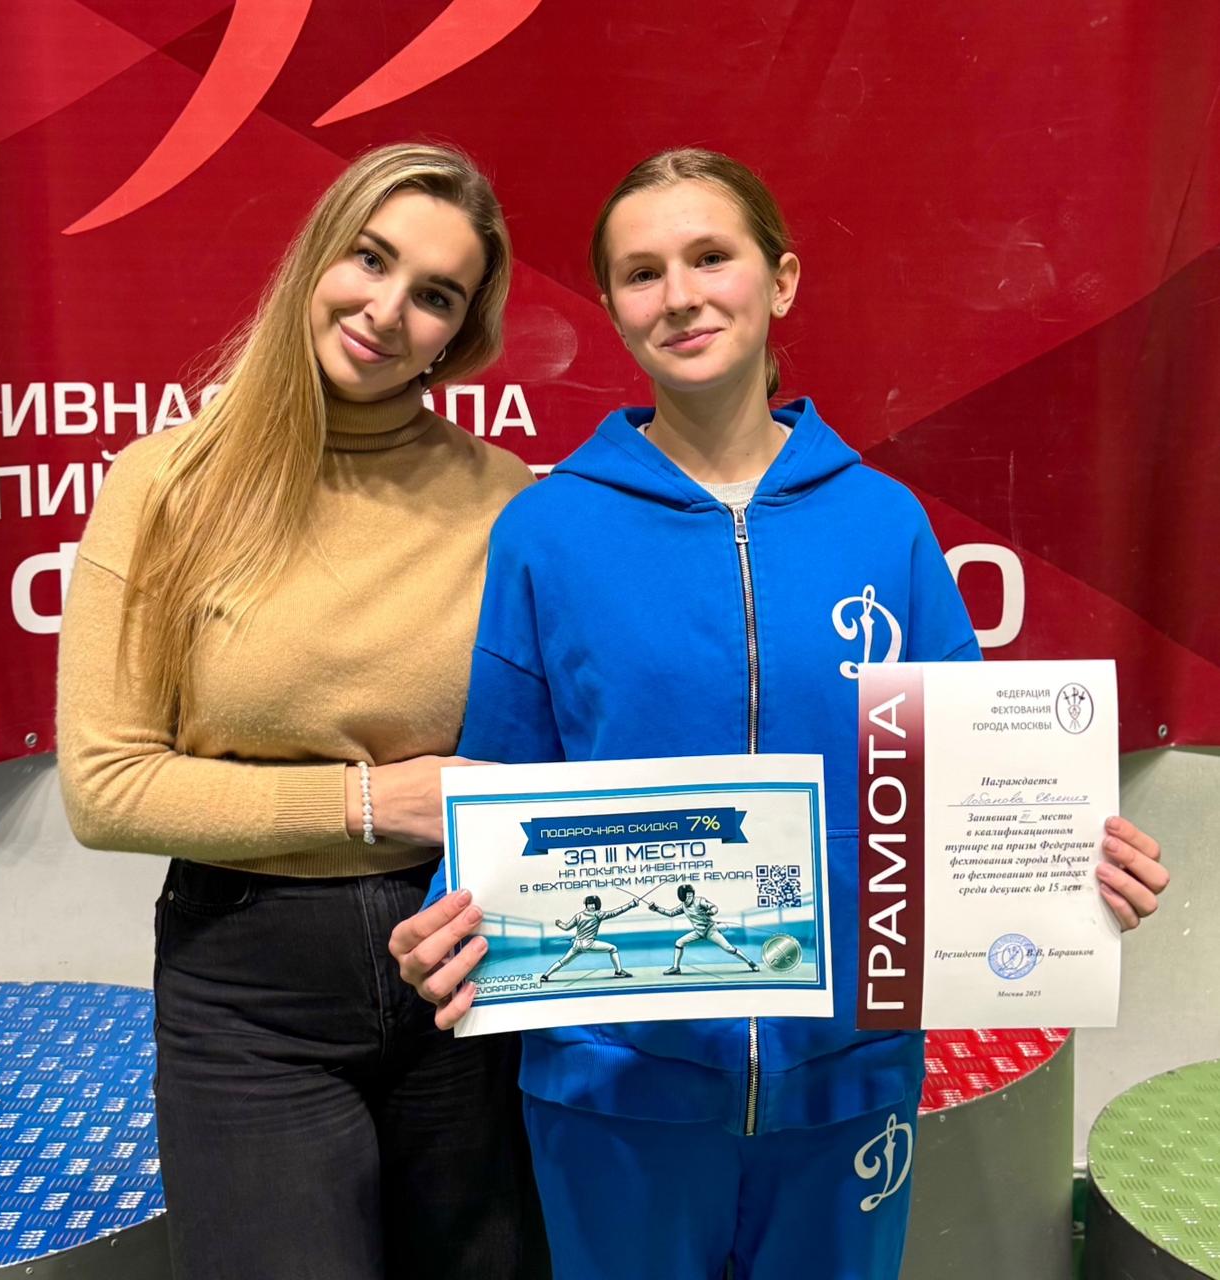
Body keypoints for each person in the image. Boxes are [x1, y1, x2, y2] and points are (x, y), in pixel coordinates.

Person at [389, 148, 1170, 1279]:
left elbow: (974, 777)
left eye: (711, 256)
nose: (680, 294)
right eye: (642, 272)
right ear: (612, 307)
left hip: (846, 1085)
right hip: (614, 1089)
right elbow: (501, 783)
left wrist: (1068, 867)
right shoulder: (546, 532)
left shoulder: (885, 524)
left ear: (782, 280)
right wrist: (449, 923)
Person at [57, 144, 548, 1280]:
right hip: (249, 994)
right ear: (316, 255)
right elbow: (107, 786)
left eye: (435, 294)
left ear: (458, 334)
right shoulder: (167, 483)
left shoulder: (509, 500)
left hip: (467, 968)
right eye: (369, 259)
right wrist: (371, 800)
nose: (387, 310)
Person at [650, 883, 759, 975]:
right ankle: (676, 968)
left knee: (729, 948)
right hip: (698, 932)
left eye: (690, 894)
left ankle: (750, 962)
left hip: (710, 931)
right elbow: (670, 913)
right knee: (679, 942)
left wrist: (711, 911)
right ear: (682, 896)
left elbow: (713, 907)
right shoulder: (683, 906)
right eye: (687, 895)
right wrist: (656, 908)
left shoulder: (700, 901)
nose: (689, 897)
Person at [541, 894, 635, 981]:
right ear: (586, 905)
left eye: (594, 904)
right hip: (589, 944)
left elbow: (566, 927)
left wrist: (559, 923)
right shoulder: (598, 914)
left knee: (564, 961)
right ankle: (618, 972)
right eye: (590, 904)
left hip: (577, 945)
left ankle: (545, 975)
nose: (592, 906)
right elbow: (615, 913)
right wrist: (631, 904)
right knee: (613, 949)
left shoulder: (579, 915)